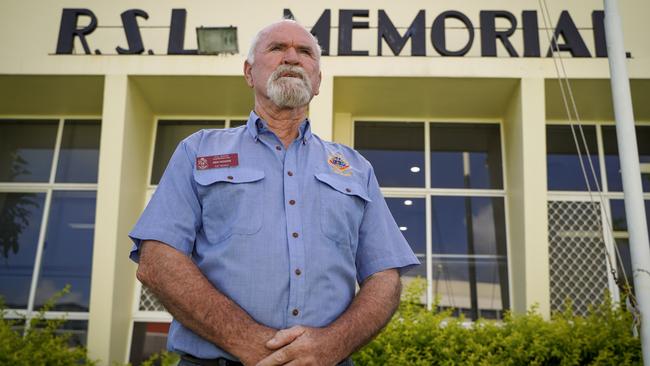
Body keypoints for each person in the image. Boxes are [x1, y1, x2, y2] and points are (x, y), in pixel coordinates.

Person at [129, 19, 419, 366]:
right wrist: (249, 342)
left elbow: (384, 276)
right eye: (278, 48)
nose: (292, 58)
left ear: (318, 82)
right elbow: (157, 260)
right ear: (249, 73)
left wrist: (331, 345)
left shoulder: (357, 169)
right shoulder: (199, 152)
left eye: (305, 52)